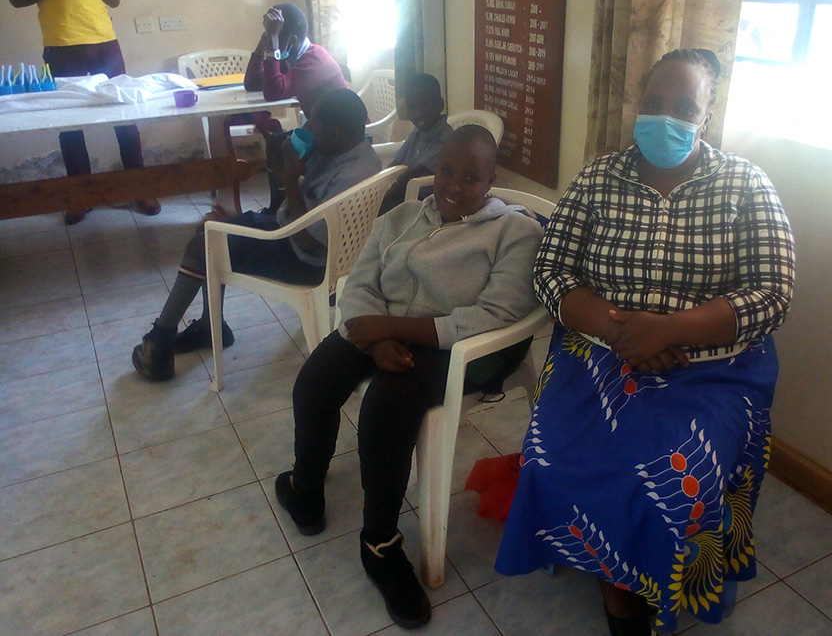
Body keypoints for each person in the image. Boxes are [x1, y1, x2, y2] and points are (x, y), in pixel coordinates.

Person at [494, 49, 796, 636]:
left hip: (713, 366)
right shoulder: (599, 177)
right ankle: (620, 594)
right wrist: (618, 329)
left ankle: (656, 575)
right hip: (599, 354)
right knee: (557, 458)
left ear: (706, 116)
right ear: (637, 105)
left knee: (668, 474)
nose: (665, 117)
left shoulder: (744, 184)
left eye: (684, 108)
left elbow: (774, 290)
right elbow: (551, 270)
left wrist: (674, 329)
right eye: (653, 103)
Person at [273, 126, 543, 629]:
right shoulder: (400, 217)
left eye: (471, 177)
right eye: (446, 170)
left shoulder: (517, 233)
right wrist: (375, 339)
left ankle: (379, 543)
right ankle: (304, 486)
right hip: (386, 328)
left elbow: (497, 314)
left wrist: (391, 328)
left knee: (386, 409)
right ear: (433, 167)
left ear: (492, 181)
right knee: (315, 380)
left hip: (465, 346)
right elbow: (359, 284)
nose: (453, 186)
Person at [131, 86, 381, 382]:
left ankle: (159, 342)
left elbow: (306, 239)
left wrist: (290, 179)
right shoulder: (350, 151)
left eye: (313, 122)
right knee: (208, 230)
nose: (307, 126)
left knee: (203, 245)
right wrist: (279, 153)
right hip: (302, 239)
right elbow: (285, 180)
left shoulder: (350, 177)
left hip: (305, 260)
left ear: (335, 133)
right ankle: (210, 327)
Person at [5, 0, 160, 225]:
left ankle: (141, 188)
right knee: (69, 125)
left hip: (104, 42)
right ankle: (81, 196)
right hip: (60, 47)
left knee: (125, 118)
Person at [243, 2, 350, 213]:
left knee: (281, 148)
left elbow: (273, 92)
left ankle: (289, 209)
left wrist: (273, 43)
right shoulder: (295, 55)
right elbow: (252, 84)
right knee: (276, 144)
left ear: (290, 40)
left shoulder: (313, 60)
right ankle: (279, 208)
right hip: (320, 129)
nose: (271, 43)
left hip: (343, 136)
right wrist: (265, 41)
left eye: (275, 36)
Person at [379, 73, 454, 213]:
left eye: (424, 106)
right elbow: (398, 161)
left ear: (440, 105)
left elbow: (413, 175)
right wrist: (380, 183)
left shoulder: (445, 139)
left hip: (426, 203)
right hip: (404, 192)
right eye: (412, 108)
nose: (418, 114)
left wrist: (385, 197)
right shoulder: (417, 132)